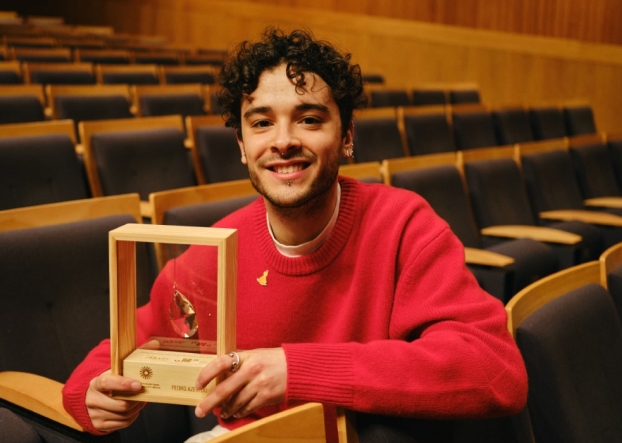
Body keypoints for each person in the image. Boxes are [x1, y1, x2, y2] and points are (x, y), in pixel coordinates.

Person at [62, 27, 528, 443]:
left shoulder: (403, 224)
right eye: (262, 123)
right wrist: (90, 396)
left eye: (309, 119)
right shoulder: (216, 252)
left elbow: (494, 369)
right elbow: (118, 352)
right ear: (242, 147)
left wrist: (296, 370)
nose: (283, 141)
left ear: (346, 136)